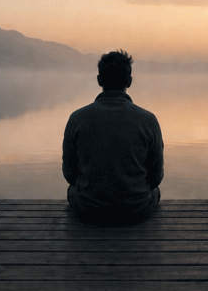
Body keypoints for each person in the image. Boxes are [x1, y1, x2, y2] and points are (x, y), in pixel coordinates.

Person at [62, 50, 164, 226]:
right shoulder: (148, 120)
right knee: (156, 192)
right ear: (129, 81)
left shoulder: (77, 118)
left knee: (72, 190)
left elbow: (69, 174)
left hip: (88, 210)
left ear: (99, 80)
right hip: (136, 210)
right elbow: (156, 177)